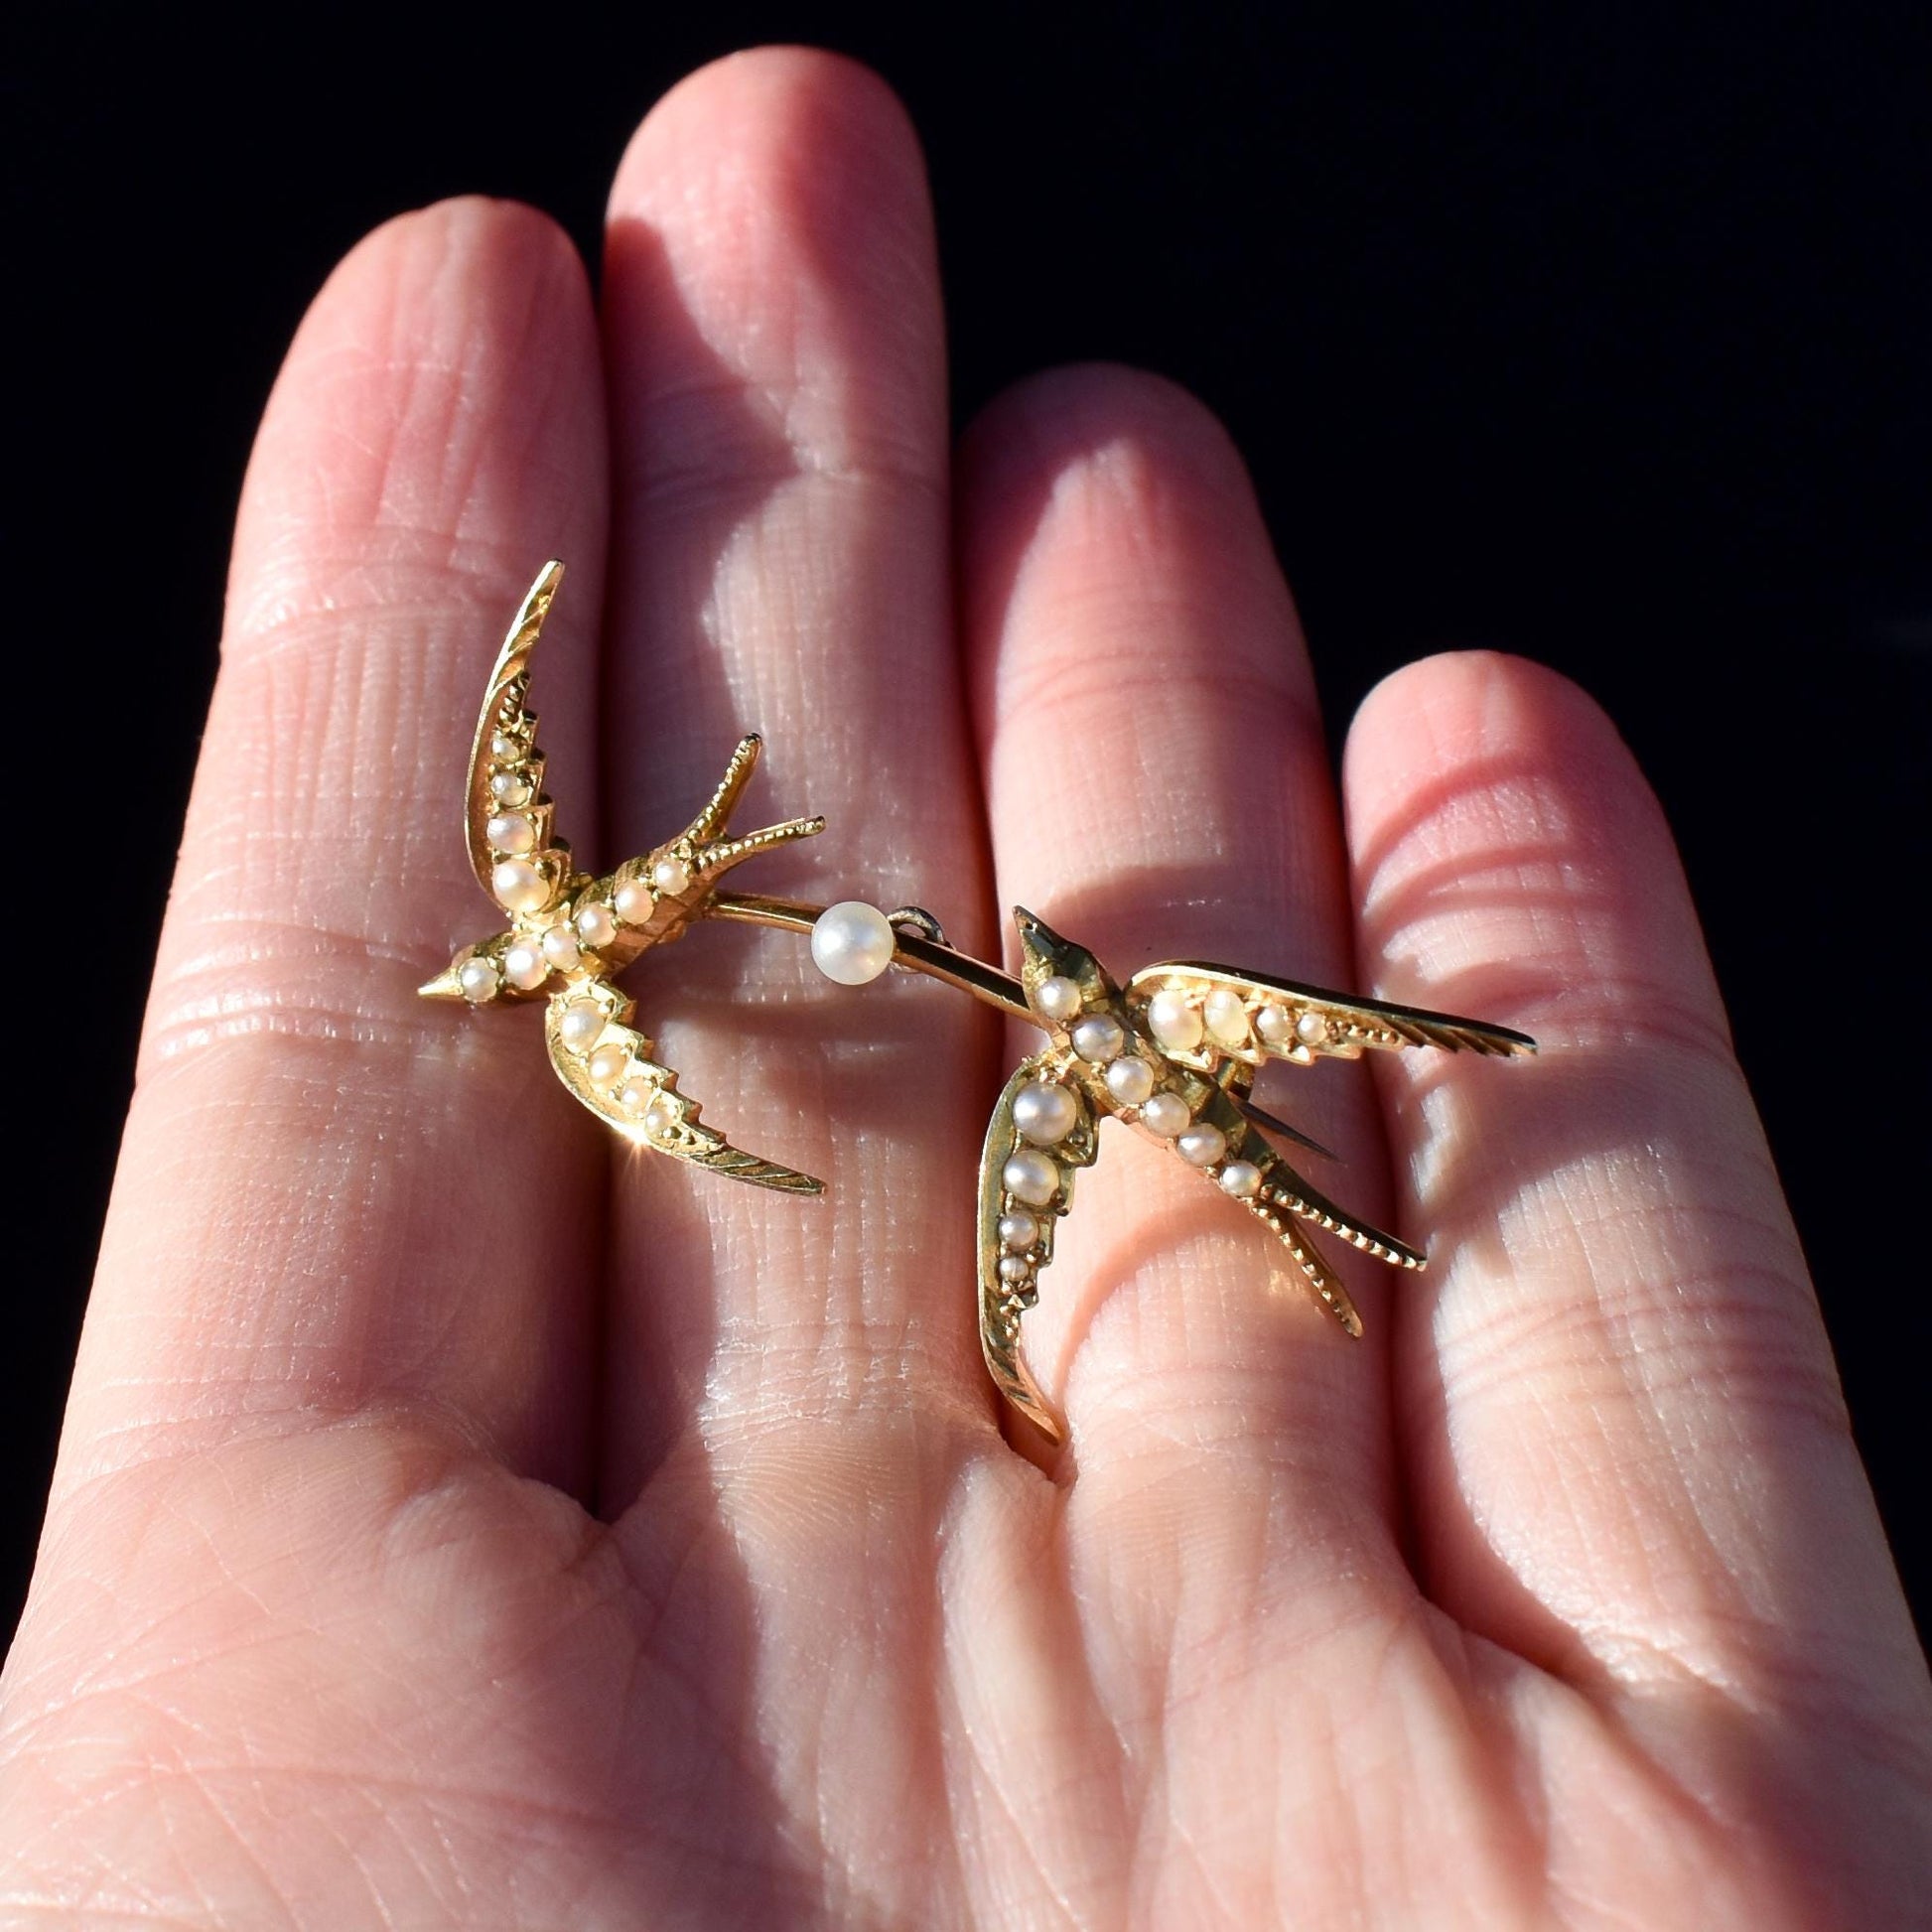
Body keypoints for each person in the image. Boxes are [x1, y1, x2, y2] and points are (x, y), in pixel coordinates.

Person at [2, 47, 1925, 1928]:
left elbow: (1140, 1095)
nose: (1062, 974)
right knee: (1258, 1162)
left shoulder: (1048, 1060)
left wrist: (1336, 1064)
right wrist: (996, 1301)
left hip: (959, 1031)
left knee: (1264, 1154)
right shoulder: (929, 1046)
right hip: (885, 1019)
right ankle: (1314, 1204)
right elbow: (985, 1195)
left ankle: (1312, 1199)